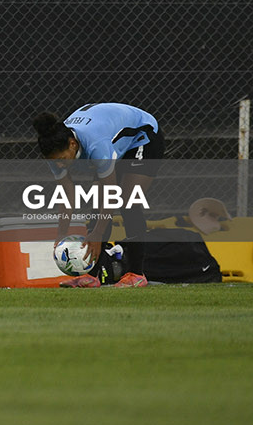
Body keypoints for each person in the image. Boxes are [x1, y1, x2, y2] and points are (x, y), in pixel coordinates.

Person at [32, 102, 163, 288]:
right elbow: (67, 193)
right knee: (97, 204)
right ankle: (92, 276)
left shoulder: (96, 144)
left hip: (143, 136)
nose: (59, 165)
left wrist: (98, 233)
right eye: (55, 162)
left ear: (72, 144)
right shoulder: (55, 150)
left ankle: (136, 274)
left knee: (128, 201)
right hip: (114, 141)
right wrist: (61, 234)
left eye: (62, 160)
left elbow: (111, 194)